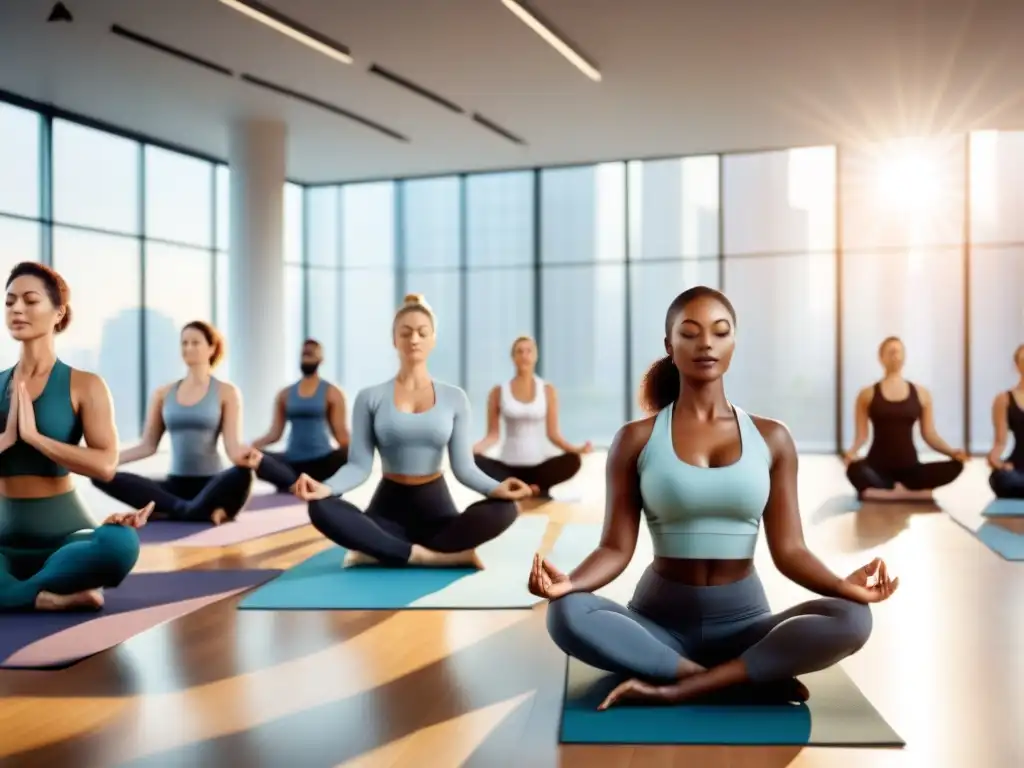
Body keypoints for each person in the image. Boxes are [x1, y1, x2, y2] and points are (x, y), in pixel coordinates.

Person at [528, 286, 892, 710]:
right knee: (566, 613)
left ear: (734, 342)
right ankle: (731, 679)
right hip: (657, 626)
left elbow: (790, 550)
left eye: (720, 333)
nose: (706, 344)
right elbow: (614, 547)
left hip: (746, 625)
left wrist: (840, 585)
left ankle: (680, 685)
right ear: (669, 345)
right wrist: (569, 583)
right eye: (690, 333)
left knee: (853, 617)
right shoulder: (635, 439)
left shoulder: (772, 438)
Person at [292, 294, 533, 568]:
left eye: (422, 333)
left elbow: (464, 468)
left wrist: (497, 488)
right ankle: (421, 555)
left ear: (433, 339)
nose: (414, 340)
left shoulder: (454, 398)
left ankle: (380, 551)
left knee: (507, 509)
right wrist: (326, 487)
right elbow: (358, 466)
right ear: (395, 340)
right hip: (385, 514)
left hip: (437, 515)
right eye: (405, 333)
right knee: (320, 507)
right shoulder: (370, 397)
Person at [1, 262, 151, 612]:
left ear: (58, 313)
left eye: (30, 300)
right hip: (4, 539)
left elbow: (106, 465)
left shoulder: (85, 385)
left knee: (119, 544)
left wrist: (37, 439)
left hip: (66, 536)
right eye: (9, 302)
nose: (17, 309)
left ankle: (16, 593)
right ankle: (43, 596)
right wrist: (7, 439)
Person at [91, 321, 259, 525]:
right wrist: (106, 462)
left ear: (212, 348)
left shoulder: (226, 392)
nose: (188, 348)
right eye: (184, 343)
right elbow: (147, 446)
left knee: (244, 474)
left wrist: (247, 458)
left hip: (212, 484)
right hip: (174, 487)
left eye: (195, 343)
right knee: (100, 476)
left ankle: (180, 510)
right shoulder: (163, 394)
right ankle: (190, 510)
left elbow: (232, 448)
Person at [842, 337, 967, 500]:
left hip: (911, 470)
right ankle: (907, 493)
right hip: (877, 468)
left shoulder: (922, 393)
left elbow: (929, 434)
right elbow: (862, 436)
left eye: (899, 351)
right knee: (855, 469)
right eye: (891, 352)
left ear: (904, 357)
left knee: (956, 466)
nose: (895, 355)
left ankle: (887, 493)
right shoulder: (867, 394)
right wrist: (850, 453)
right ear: (881, 358)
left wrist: (952, 452)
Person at [472, 335, 591, 498]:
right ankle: (523, 487)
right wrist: (472, 451)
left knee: (573, 460)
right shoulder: (498, 391)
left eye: (529, 351)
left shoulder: (548, 390)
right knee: (474, 460)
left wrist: (576, 449)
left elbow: (553, 434)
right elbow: (493, 435)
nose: (524, 355)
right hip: (508, 468)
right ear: (513, 357)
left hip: (539, 467)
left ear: (535, 356)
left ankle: (531, 486)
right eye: (519, 352)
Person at [250, 339, 349, 493]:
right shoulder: (285, 394)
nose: (307, 355)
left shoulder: (332, 392)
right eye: (304, 353)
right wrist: (252, 446)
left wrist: (359, 449)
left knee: (349, 452)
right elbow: (275, 433)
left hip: (322, 462)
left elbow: (341, 435)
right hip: (292, 462)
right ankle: (296, 483)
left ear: (321, 359)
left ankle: (300, 484)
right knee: (256, 458)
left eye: (311, 353)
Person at [986, 344, 1024, 499]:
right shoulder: (1004, 399)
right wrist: (996, 462)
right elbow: (1000, 443)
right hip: (1018, 469)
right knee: (1001, 479)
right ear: (1017, 365)